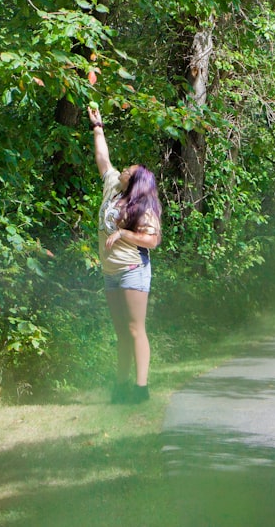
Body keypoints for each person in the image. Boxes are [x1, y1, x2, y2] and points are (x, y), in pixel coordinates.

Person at [88, 104, 163, 404]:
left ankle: (140, 389)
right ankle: (120, 387)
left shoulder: (143, 208)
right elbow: (102, 158)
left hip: (132, 268)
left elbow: (152, 240)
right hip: (110, 272)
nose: (123, 170)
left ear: (134, 182)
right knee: (121, 332)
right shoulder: (111, 187)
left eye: (128, 171)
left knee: (135, 329)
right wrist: (97, 127)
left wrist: (122, 233)